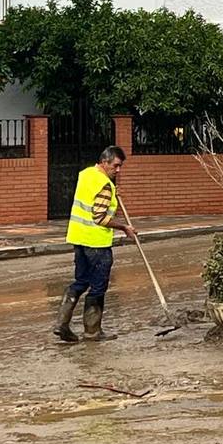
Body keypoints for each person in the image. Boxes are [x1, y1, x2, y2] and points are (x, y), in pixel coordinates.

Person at [53, 146, 136, 343]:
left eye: (120, 166)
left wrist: (113, 191)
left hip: (78, 238)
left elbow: (91, 200)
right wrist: (123, 227)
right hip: (96, 242)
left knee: (80, 282)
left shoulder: (86, 174)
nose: (118, 170)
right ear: (105, 162)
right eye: (116, 166)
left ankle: (61, 323)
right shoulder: (105, 185)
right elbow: (99, 217)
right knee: (98, 287)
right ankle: (92, 331)